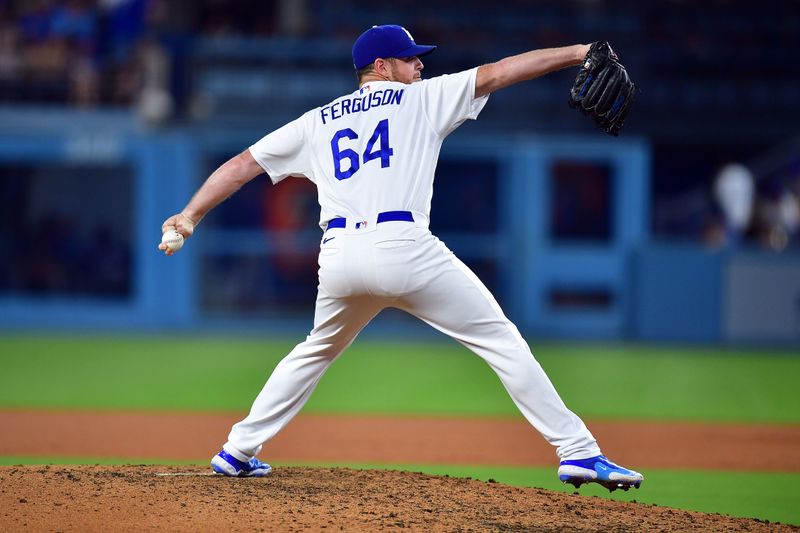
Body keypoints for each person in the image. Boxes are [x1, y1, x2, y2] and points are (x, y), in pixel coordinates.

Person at [159, 25, 643, 492]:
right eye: (411, 58)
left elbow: (242, 166)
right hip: (404, 247)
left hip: (340, 259)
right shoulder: (422, 98)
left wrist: (188, 215)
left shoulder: (317, 121)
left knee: (316, 349)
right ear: (380, 65)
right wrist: (578, 51)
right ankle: (577, 449)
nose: (419, 66)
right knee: (501, 340)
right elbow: (499, 72)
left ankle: (237, 450)